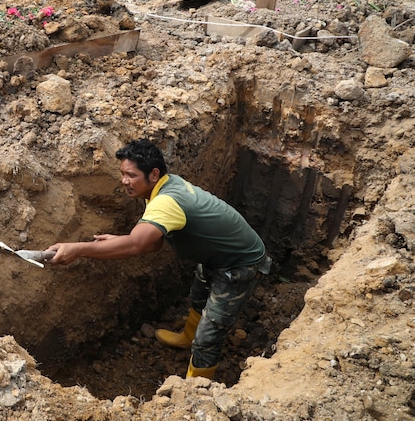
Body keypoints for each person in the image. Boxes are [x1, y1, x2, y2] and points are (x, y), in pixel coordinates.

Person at [45, 139, 270, 380]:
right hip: (215, 256)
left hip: (240, 265)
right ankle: (186, 338)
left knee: (208, 337)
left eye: (130, 175)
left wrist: (77, 249)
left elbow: (136, 245)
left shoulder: (166, 201)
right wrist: (122, 240)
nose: (124, 181)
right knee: (197, 297)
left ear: (153, 174)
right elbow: (152, 243)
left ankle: (196, 390)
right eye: (122, 174)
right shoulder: (160, 189)